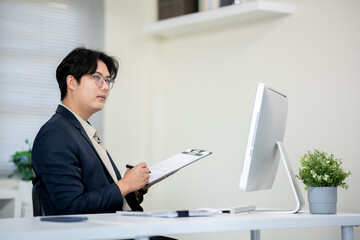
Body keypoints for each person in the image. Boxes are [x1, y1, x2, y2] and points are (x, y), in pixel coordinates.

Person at [32, 47, 152, 215]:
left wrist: (134, 187)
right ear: (71, 82)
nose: (105, 87)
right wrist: (124, 185)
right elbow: (72, 206)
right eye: (96, 78)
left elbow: (101, 195)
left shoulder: (81, 130)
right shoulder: (55, 134)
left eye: (108, 80)